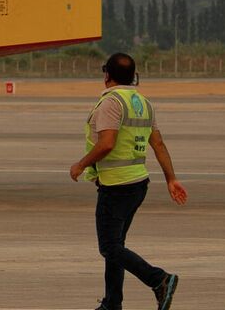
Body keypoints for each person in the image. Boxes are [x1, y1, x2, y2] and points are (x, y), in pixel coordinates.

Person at [69, 52, 186, 310]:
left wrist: (81, 164)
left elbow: (106, 143)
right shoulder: (143, 103)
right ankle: (112, 303)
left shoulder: (112, 103)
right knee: (116, 247)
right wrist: (171, 178)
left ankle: (159, 279)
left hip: (116, 186)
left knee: (109, 248)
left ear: (107, 75)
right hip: (137, 184)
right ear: (134, 77)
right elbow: (158, 144)